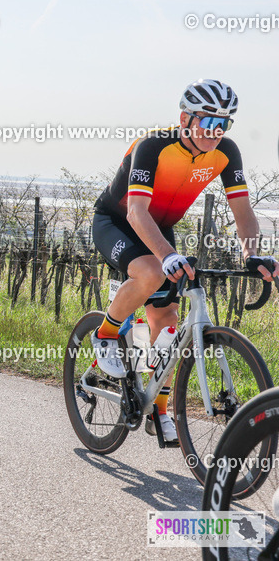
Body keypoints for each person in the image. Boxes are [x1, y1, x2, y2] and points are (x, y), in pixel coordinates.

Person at [90, 79, 279, 444]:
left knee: (167, 321)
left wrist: (251, 253)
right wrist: (166, 255)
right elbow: (136, 211)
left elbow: (242, 211)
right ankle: (106, 332)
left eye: (224, 124)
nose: (215, 132)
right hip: (118, 221)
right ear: (185, 119)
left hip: (159, 230)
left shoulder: (226, 152)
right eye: (208, 122)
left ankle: (159, 409)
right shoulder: (152, 146)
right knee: (149, 272)